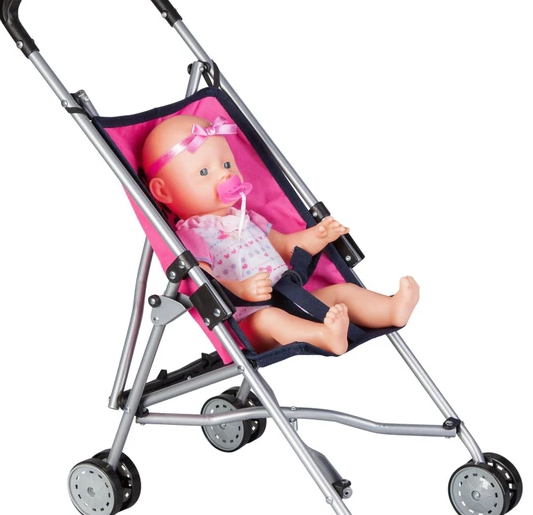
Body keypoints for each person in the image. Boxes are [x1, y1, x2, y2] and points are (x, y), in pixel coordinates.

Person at [142, 114, 419, 355]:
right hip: (250, 322)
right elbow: (203, 281)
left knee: (341, 292)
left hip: (293, 297)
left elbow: (286, 246)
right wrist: (241, 290)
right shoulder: (192, 235)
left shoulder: (247, 218)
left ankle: (391, 309)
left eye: (227, 165)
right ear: (164, 192)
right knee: (271, 319)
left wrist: (319, 235)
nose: (225, 176)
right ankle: (324, 336)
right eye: (204, 172)